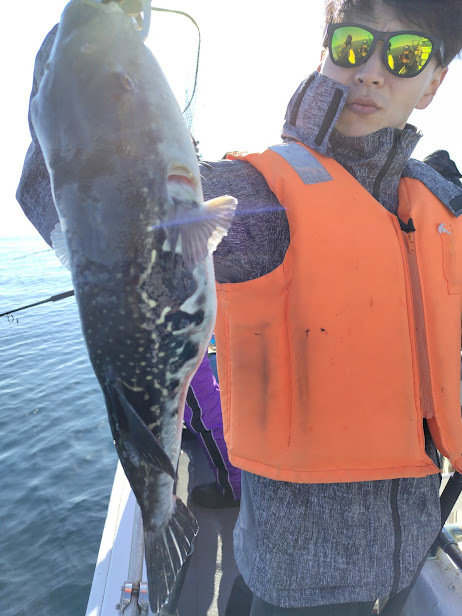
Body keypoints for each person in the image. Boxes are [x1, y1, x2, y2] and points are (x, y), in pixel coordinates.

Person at [15, 1, 462, 616]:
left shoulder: (439, 202)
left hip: (410, 550)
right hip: (300, 581)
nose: (371, 71)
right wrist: (85, 35)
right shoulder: (263, 197)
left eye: (406, 55)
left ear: (434, 82)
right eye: (353, 45)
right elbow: (58, 191)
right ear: (325, 53)